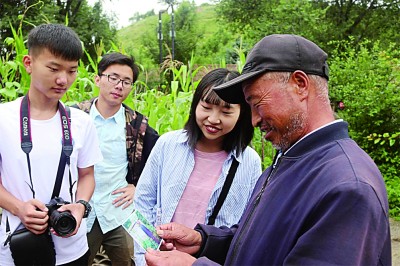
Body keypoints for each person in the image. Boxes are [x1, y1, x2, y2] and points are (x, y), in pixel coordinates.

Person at [144, 34, 392, 265]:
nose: (253, 120)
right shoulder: (291, 156)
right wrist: (204, 242)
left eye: (256, 102)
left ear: (300, 84)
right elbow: (261, 243)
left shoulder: (348, 188)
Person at [133, 68, 262, 265]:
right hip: (160, 259)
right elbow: (143, 201)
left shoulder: (249, 162)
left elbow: (247, 224)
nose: (213, 119)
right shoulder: (168, 145)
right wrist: (146, 257)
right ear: (195, 105)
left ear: (241, 113)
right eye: (206, 107)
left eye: (226, 111)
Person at [0, 24, 103, 265]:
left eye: (72, 71)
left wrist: (81, 205)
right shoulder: (3, 118)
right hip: (17, 247)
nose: (63, 80)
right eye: (53, 68)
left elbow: (87, 175)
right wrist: (18, 208)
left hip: (73, 248)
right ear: (28, 63)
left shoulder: (81, 122)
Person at [73, 52, 159, 265]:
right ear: (97, 79)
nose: (119, 85)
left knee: (144, 257)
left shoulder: (139, 125)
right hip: (82, 209)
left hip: (123, 210)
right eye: (113, 78)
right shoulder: (74, 117)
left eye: (126, 81)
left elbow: (158, 165)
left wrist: (137, 186)